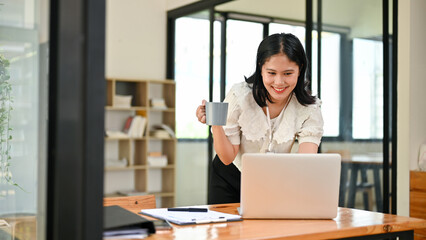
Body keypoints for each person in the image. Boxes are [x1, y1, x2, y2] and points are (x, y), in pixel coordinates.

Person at [196, 33, 324, 204]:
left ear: (300, 69)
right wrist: (215, 124)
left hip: (276, 182)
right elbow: (227, 158)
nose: (279, 82)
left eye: (288, 73)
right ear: (260, 67)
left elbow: (305, 165)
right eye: (271, 73)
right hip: (230, 179)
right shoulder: (240, 96)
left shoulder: (309, 109)